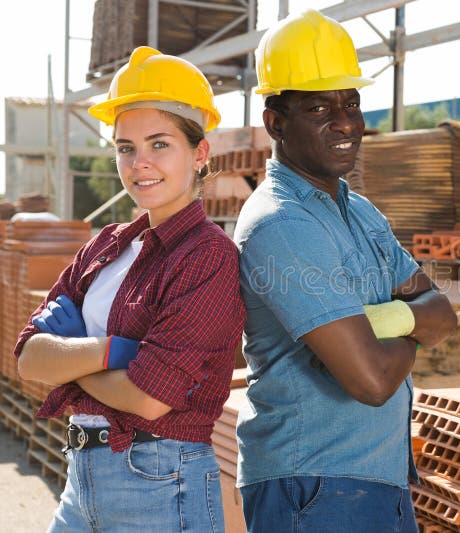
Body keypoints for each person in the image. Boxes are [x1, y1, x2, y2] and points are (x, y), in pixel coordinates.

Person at [234, 9, 458, 533]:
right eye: (319, 107)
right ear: (275, 122)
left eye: (351, 103)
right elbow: (373, 379)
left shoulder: (359, 211)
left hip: (378, 479)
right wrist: (411, 320)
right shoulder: (281, 224)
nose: (346, 122)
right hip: (314, 489)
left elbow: (444, 313)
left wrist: (378, 322)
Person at [15, 46, 246, 532]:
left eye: (159, 144)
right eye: (126, 147)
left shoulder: (207, 257)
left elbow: (148, 398)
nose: (139, 163)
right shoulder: (106, 245)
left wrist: (73, 357)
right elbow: (29, 357)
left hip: (163, 484)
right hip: (81, 480)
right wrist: (115, 351)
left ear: (199, 153)